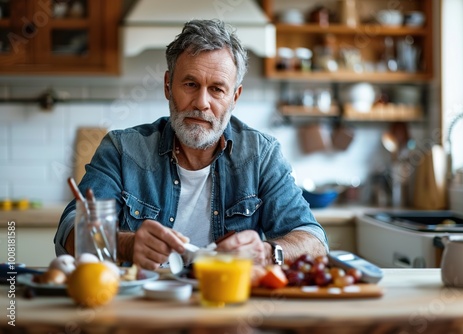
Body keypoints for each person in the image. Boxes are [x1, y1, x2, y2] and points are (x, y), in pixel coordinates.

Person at [54, 19, 328, 270]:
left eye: (217, 89)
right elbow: (69, 232)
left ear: (235, 97)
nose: (201, 102)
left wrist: (267, 253)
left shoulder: (262, 155)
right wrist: (126, 245)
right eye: (190, 84)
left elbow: (314, 241)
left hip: (230, 309)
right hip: (141, 310)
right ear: (167, 85)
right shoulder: (122, 150)